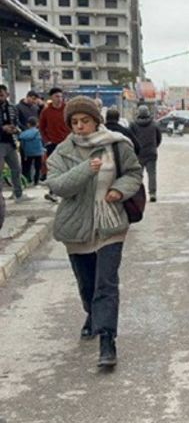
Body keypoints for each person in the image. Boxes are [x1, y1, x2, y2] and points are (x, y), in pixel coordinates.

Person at [45, 96, 142, 368]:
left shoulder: (116, 144)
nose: (79, 126)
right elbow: (59, 186)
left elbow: (134, 173)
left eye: (84, 121)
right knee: (87, 285)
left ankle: (107, 340)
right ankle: (92, 314)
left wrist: (119, 190)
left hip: (110, 224)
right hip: (76, 228)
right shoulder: (61, 153)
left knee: (105, 284)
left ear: (95, 120)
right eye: (74, 122)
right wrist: (86, 169)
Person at [0, 84, 31, 203]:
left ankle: (18, 194)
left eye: (2, 95)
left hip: (11, 142)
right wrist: (3, 128)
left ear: (7, 94)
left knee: (16, 168)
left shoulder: (12, 108)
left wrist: (17, 129)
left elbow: (17, 122)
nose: (1, 97)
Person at [39, 87, 70, 201]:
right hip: (52, 144)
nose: (59, 99)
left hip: (67, 142)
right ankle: (53, 192)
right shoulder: (46, 111)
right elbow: (41, 128)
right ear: (51, 98)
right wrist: (47, 141)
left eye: (61, 96)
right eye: (57, 96)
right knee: (54, 168)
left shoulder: (67, 109)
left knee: (68, 167)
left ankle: (68, 190)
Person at [129, 106, 161, 202]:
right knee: (152, 174)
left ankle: (138, 195)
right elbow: (159, 139)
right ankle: (152, 193)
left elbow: (130, 139)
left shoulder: (133, 125)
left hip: (138, 153)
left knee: (138, 175)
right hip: (151, 153)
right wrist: (154, 147)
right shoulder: (154, 124)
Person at [18, 117, 45, 187]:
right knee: (38, 167)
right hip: (38, 153)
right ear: (37, 124)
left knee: (27, 167)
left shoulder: (24, 134)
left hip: (28, 153)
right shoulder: (39, 132)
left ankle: (26, 181)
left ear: (28, 124)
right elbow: (42, 142)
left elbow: (21, 142)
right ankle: (36, 181)